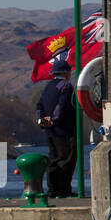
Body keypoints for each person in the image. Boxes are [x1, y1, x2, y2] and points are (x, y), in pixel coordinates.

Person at [36, 53, 77, 198]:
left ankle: (52, 189)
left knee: (53, 159)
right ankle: (63, 189)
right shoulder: (65, 86)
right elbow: (62, 106)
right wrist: (54, 119)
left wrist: (42, 121)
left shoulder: (48, 87)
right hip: (64, 129)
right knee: (67, 158)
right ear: (66, 73)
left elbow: (39, 106)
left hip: (49, 131)